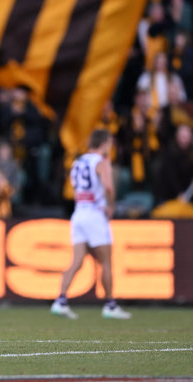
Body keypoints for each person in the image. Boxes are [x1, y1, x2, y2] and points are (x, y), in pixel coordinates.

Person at [51, 129, 131, 320]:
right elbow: (109, 187)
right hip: (95, 214)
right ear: (104, 143)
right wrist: (110, 206)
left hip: (79, 213)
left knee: (76, 261)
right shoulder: (102, 162)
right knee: (105, 262)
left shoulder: (78, 162)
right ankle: (110, 305)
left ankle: (60, 301)